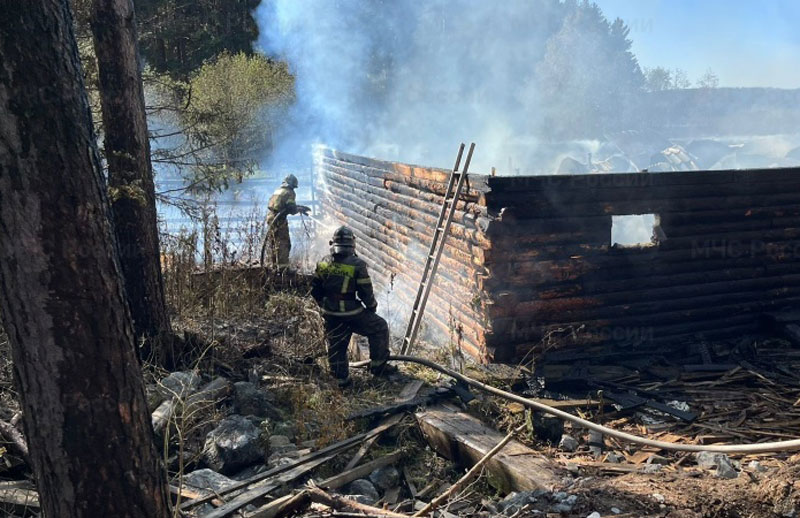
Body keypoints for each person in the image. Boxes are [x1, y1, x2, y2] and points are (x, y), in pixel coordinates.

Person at [311, 226, 398, 387]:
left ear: (333, 244)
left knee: (337, 346)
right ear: (352, 245)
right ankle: (378, 367)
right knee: (379, 327)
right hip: (353, 313)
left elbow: (315, 289)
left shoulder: (323, 262)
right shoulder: (357, 264)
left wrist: (325, 307)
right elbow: (366, 292)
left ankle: (341, 381)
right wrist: (371, 307)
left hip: (331, 314)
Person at [262, 174, 309, 268]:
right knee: (284, 243)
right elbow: (291, 208)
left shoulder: (278, 191)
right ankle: (283, 268)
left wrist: (299, 207)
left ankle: (275, 266)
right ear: (292, 185)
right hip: (279, 219)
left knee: (274, 242)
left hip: (271, 217)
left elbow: (284, 205)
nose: (293, 189)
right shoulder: (290, 192)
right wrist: (299, 209)